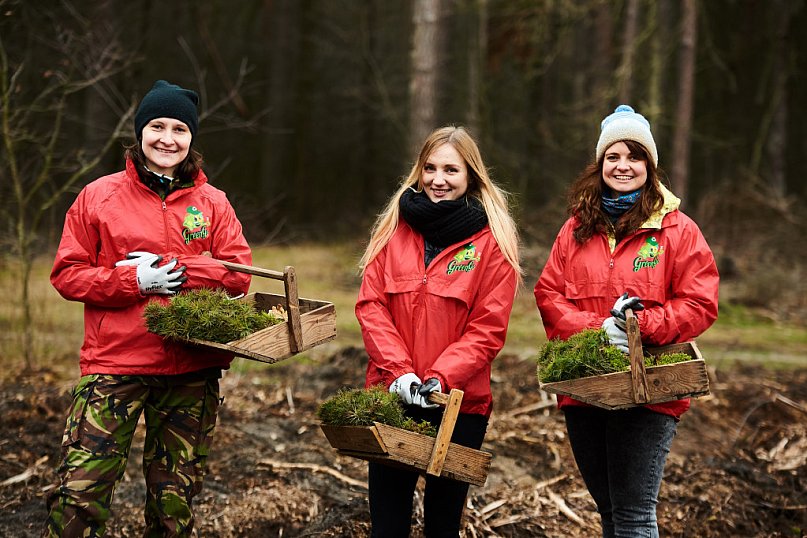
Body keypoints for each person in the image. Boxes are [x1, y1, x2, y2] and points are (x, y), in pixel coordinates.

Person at [45, 80, 252, 537]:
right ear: (139, 131)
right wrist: (134, 281)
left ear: (192, 137)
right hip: (115, 365)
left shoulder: (213, 203)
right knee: (79, 496)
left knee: (173, 508)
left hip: (191, 368)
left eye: (180, 129)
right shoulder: (98, 196)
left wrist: (176, 267)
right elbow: (67, 274)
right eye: (157, 126)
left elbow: (238, 274)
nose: (167, 139)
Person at [534, 105, 719, 537]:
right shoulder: (576, 229)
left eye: (634, 156)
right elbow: (548, 294)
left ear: (649, 166)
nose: (623, 166)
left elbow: (700, 301)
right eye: (613, 156)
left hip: (650, 390)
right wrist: (598, 329)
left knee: (634, 514)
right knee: (610, 512)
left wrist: (640, 326)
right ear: (600, 164)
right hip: (585, 388)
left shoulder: (677, 230)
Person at [355, 125, 521, 537]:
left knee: (443, 527)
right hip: (393, 396)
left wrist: (438, 379)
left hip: (460, 405)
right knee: (387, 526)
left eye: (451, 170)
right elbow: (371, 307)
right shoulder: (393, 229)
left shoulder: (492, 242)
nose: (438, 179)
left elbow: (488, 328)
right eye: (429, 168)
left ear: (470, 176)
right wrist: (400, 374)